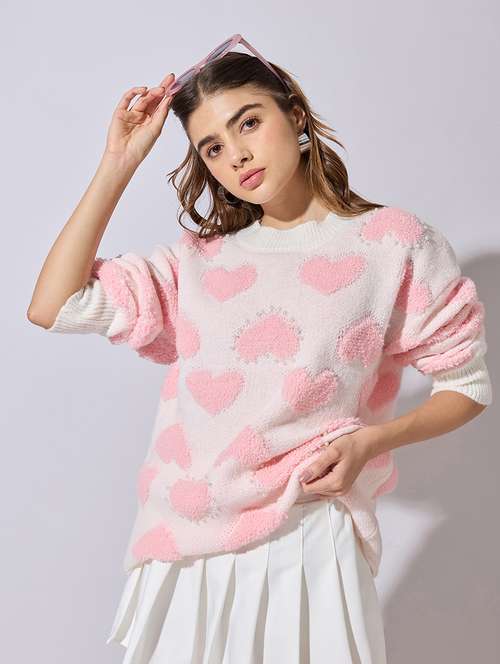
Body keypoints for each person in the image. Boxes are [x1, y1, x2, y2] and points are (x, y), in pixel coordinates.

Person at [27, 35, 492, 664]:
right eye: (212, 147)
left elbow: (466, 387)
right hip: (186, 544)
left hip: (309, 532)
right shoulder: (198, 265)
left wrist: (370, 442)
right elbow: (54, 306)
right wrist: (118, 162)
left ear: (294, 115)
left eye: (248, 122)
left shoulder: (393, 244)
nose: (237, 155)